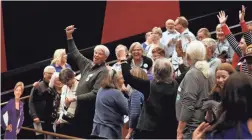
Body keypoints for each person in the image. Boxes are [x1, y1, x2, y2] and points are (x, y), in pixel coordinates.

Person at [119, 45, 178, 138]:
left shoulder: (148, 85)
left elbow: (128, 78)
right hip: (170, 130)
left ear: (154, 71)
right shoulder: (175, 84)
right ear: (171, 71)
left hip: (149, 131)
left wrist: (123, 60)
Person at [65, 25, 109, 138]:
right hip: (80, 108)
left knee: (84, 136)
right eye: (95, 52)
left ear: (105, 58)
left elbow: (95, 93)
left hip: (90, 110)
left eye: (100, 53)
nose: (96, 55)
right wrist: (69, 36)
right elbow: (75, 53)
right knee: (76, 135)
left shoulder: (103, 71)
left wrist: (75, 98)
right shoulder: (87, 64)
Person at [193, 73, 252, 139]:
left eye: (224, 77)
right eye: (218, 77)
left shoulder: (217, 134)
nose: (220, 80)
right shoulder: (213, 93)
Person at [176, 41, 213, 139]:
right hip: (198, 123)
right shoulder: (207, 71)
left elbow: (188, 104)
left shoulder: (193, 74)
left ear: (188, 56)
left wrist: (179, 130)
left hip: (190, 128)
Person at [91, 70, 128, 139]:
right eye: (122, 78)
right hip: (110, 132)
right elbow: (128, 110)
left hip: (97, 130)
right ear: (116, 80)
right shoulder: (117, 93)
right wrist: (126, 92)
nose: (124, 80)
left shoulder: (100, 90)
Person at [217, 7, 252, 77]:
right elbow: (231, 39)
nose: (239, 45)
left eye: (242, 43)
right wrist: (223, 25)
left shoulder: (250, 45)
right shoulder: (241, 53)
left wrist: (242, 22)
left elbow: (248, 38)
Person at [28, 66, 56, 139]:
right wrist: (34, 116)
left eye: (53, 74)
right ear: (44, 74)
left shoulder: (56, 84)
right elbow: (31, 102)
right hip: (40, 118)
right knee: (41, 137)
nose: (51, 76)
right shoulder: (38, 86)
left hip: (52, 118)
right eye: (49, 73)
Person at [125, 67, 149, 139]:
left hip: (138, 129)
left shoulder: (136, 92)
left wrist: (129, 132)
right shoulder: (148, 90)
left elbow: (135, 114)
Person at [56, 68, 78, 136]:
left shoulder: (80, 86)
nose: (65, 84)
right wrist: (60, 118)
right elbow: (62, 105)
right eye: (64, 82)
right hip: (64, 120)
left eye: (67, 81)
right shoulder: (64, 87)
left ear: (72, 77)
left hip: (76, 121)